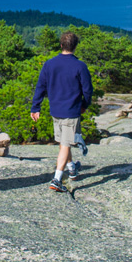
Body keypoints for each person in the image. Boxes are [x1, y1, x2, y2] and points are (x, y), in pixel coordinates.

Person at [31, 30, 93, 192]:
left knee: (63, 142)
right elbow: (87, 90)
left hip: (55, 111)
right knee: (65, 144)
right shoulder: (80, 66)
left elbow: (41, 87)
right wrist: (85, 105)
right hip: (71, 111)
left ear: (61, 45)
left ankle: (72, 168)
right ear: (75, 46)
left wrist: (35, 107)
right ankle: (57, 179)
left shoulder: (49, 64)